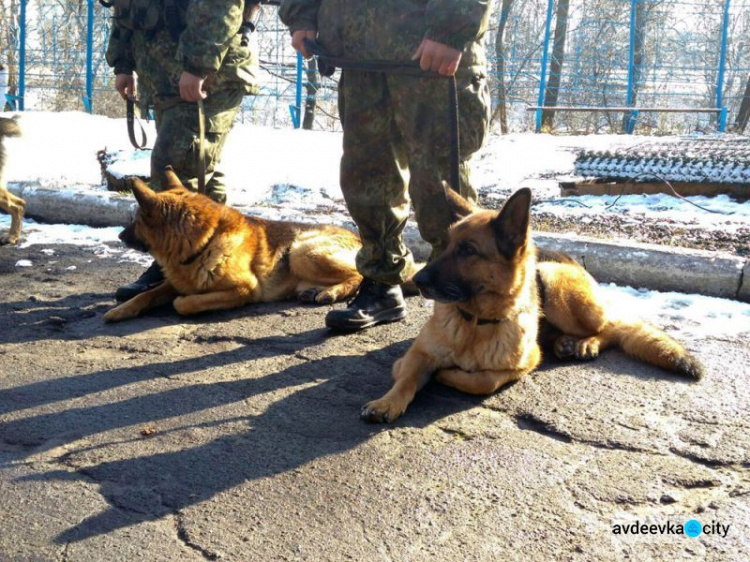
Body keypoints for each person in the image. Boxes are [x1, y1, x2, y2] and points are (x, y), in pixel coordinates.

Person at [279, 0, 494, 331]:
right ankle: (381, 283)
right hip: (359, 54)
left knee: (442, 190)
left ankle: (468, 305)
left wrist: (450, 28)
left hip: (429, 50)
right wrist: (302, 14)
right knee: (367, 178)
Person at [106, 0, 259, 302]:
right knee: (201, 173)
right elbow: (125, 9)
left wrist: (198, 65)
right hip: (167, 81)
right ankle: (213, 267)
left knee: (173, 167)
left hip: (209, 77)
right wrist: (123, 64)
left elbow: (221, 7)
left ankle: (170, 273)